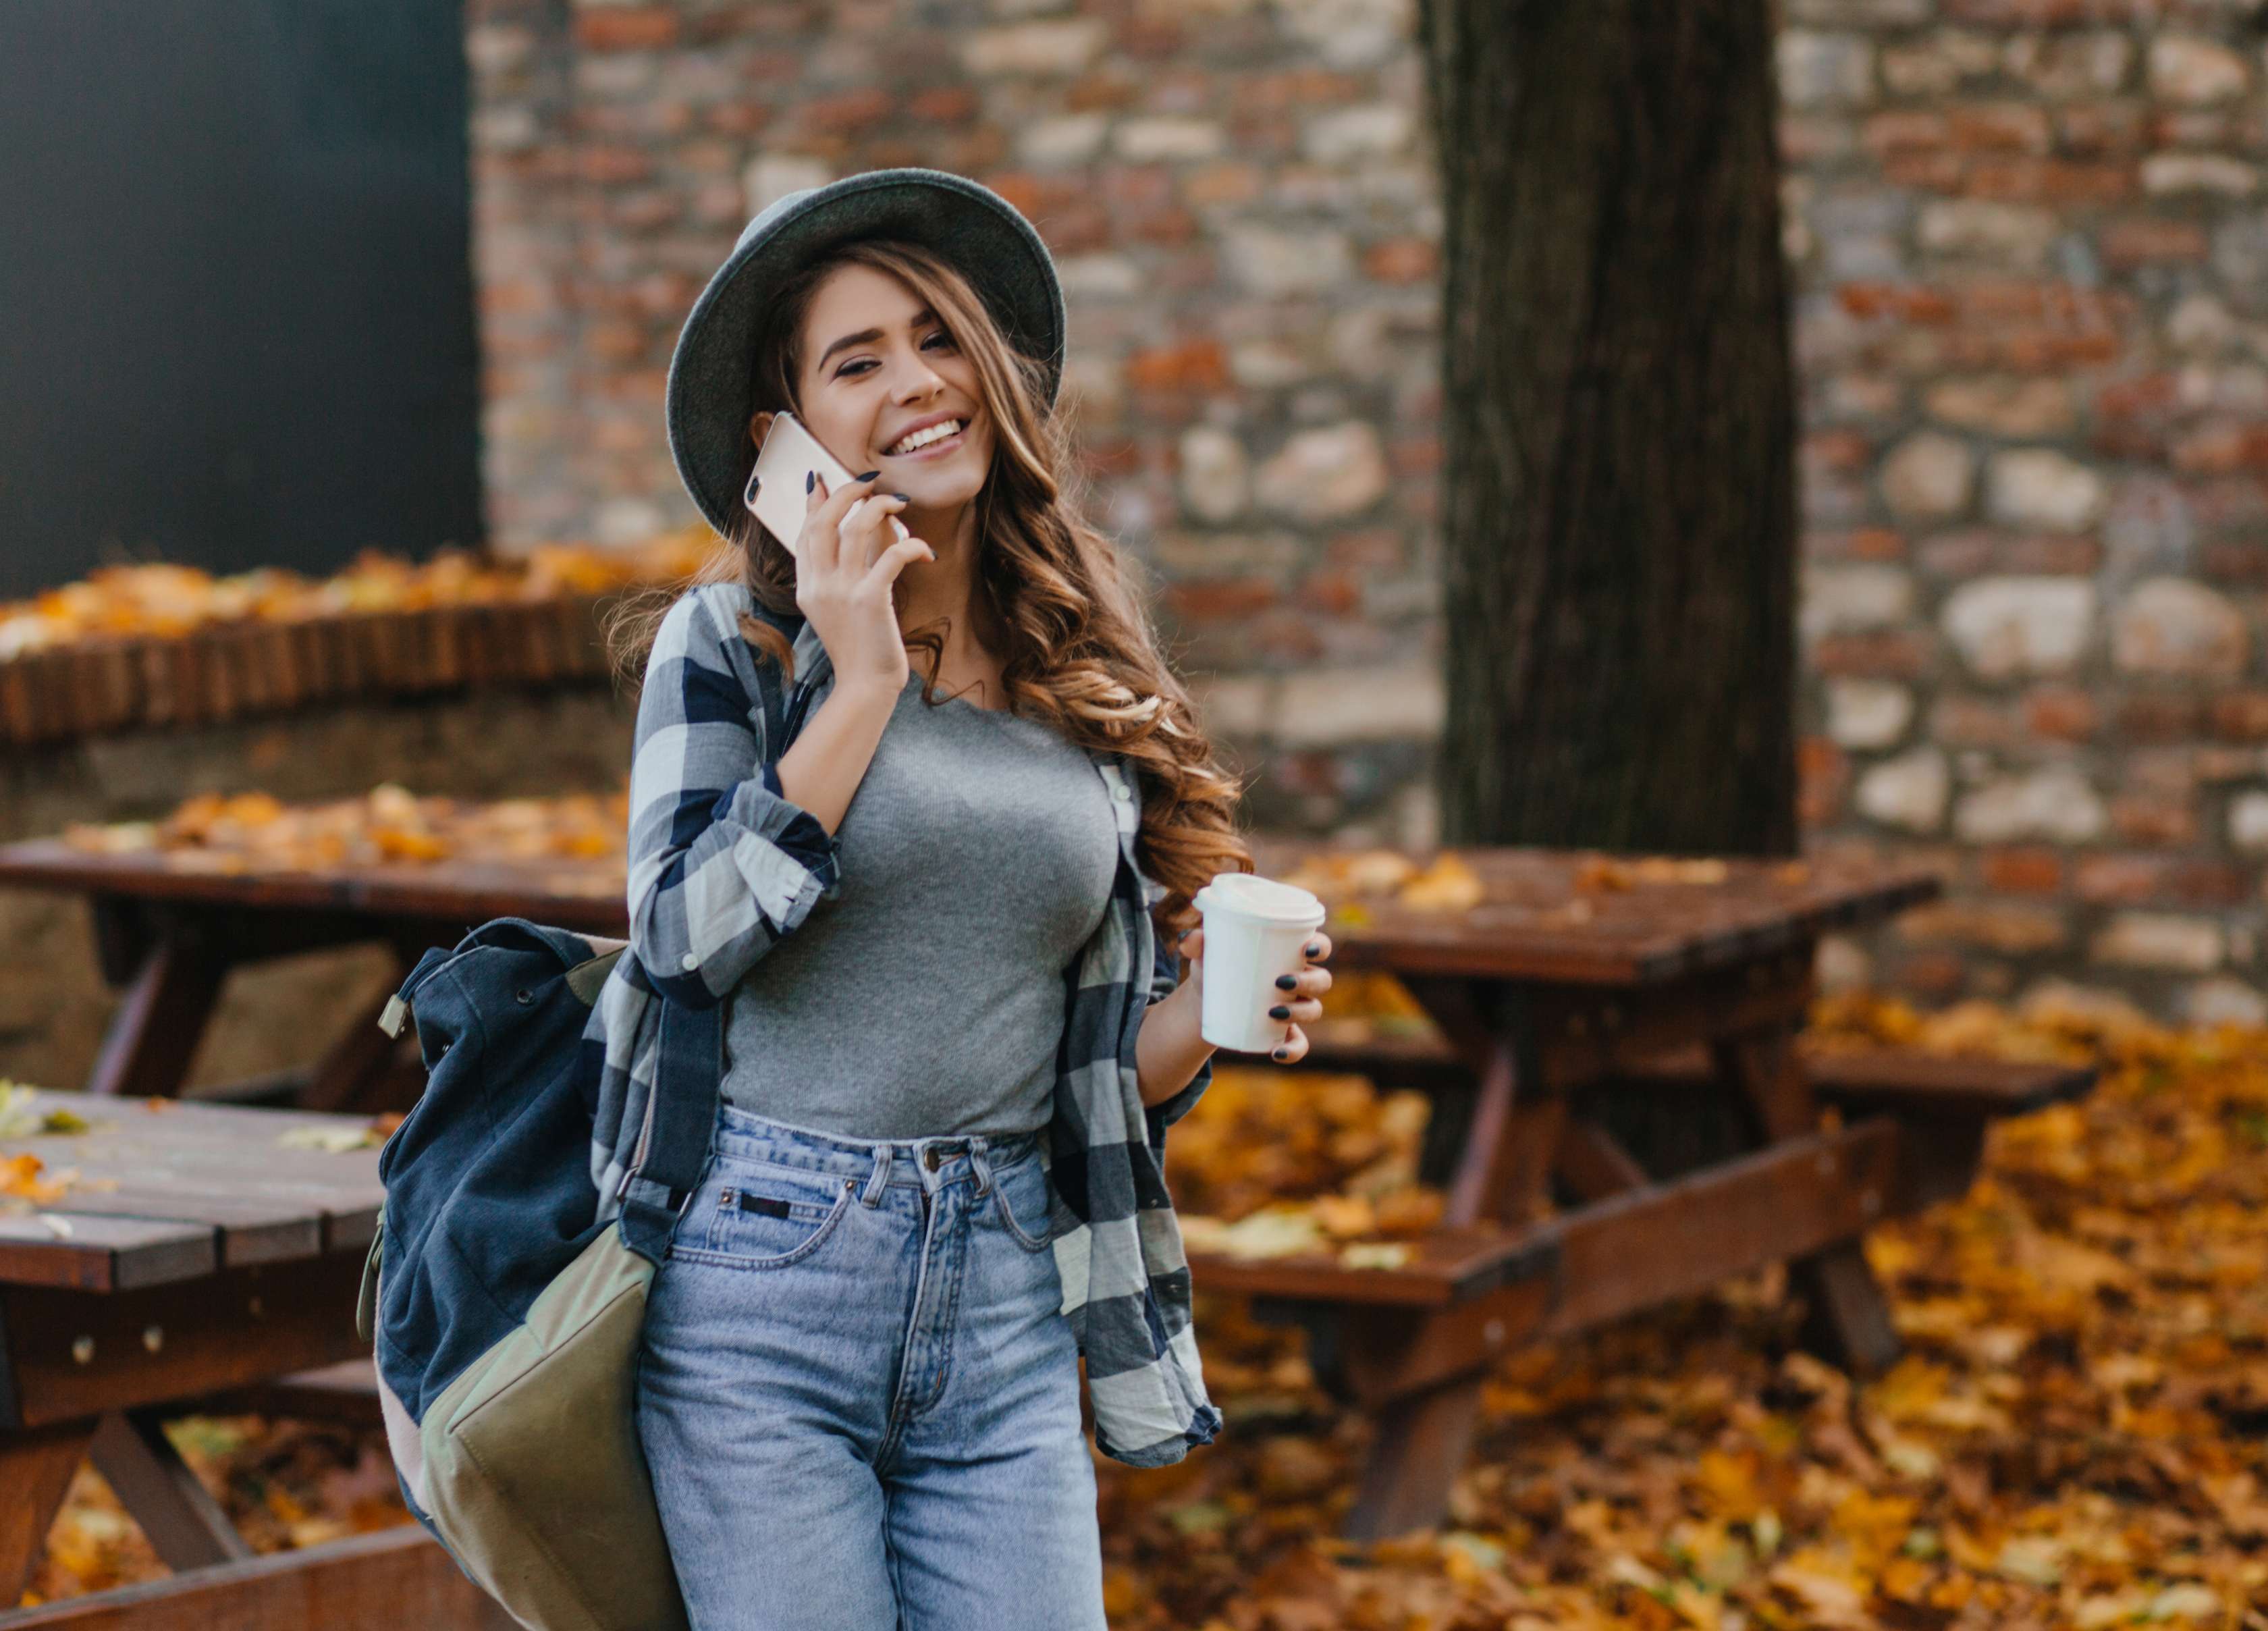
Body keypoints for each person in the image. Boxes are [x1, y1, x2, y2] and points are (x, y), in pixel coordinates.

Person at [599, 168, 1335, 1629]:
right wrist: (860, 672)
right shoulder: (735, 648)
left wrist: (1206, 1016)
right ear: (783, 440)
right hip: (760, 1282)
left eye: (939, 337)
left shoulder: (1082, 672)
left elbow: (1078, 1077)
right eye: (856, 362)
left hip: (1003, 1281)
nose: (919, 383)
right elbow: (682, 943)